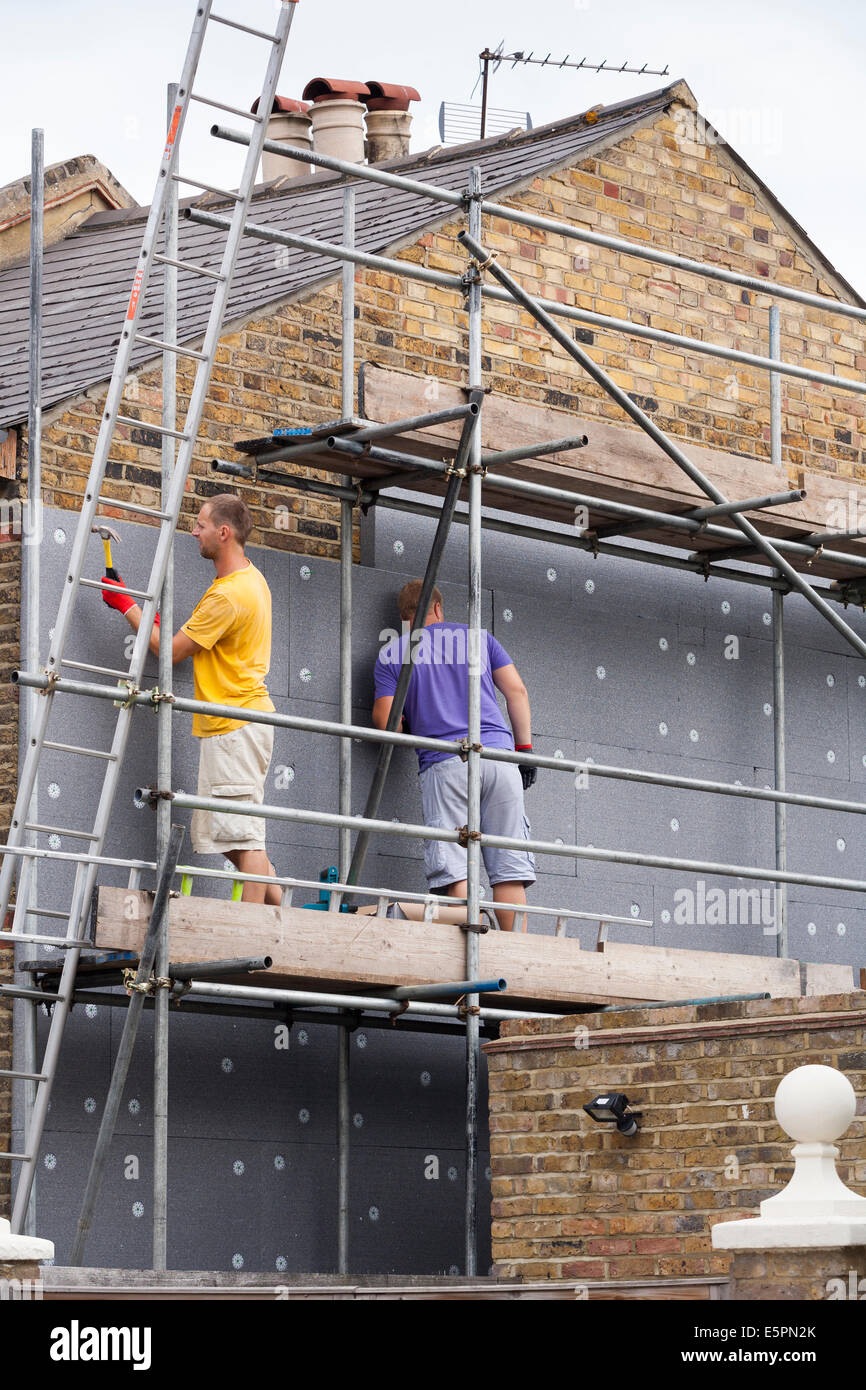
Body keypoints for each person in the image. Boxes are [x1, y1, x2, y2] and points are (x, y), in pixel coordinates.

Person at [101, 494, 281, 905]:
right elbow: (197, 642)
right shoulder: (248, 581)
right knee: (229, 834)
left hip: (234, 725)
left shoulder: (227, 595)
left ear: (224, 532)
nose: (193, 531)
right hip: (238, 723)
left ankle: (252, 931)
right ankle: (278, 910)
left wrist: (125, 603)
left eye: (200, 525)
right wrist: (156, 622)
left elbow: (171, 651)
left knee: (242, 837)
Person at [372, 579, 536, 931]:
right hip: (500, 759)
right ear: (439, 608)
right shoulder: (479, 639)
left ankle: (472, 950)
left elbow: (386, 722)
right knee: (508, 869)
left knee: (456, 866)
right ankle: (518, 953)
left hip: (446, 763)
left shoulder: (394, 652)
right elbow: (517, 692)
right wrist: (525, 751)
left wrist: (405, 718)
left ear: (405, 618)